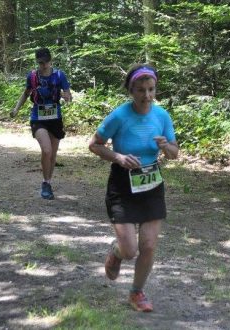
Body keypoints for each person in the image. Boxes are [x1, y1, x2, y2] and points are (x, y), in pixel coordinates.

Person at [88, 64, 179, 312]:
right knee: (130, 249)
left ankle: (137, 292)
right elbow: (95, 144)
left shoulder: (162, 116)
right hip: (122, 183)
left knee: (148, 245)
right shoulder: (119, 116)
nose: (147, 96)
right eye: (141, 90)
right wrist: (118, 157)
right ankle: (116, 253)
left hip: (151, 183)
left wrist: (165, 147)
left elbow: (174, 154)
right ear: (131, 90)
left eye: (151, 90)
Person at [10, 47, 72, 200]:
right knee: (46, 150)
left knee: (53, 155)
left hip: (55, 118)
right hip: (38, 117)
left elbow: (68, 95)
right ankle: (45, 183)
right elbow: (26, 93)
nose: (43, 65)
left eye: (45, 62)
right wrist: (16, 109)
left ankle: (48, 182)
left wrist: (66, 96)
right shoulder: (32, 76)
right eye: (40, 63)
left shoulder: (59, 75)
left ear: (50, 61)